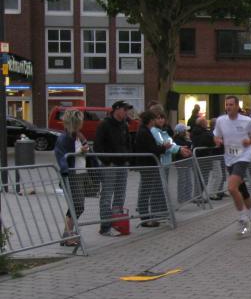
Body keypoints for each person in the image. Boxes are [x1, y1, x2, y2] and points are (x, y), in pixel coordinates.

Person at [213, 95, 251, 236]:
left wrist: (250, 141)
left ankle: (242, 218)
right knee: (242, 189)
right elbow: (216, 135)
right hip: (229, 158)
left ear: (237, 106)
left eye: (231, 104)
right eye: (227, 105)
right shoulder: (221, 121)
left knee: (231, 187)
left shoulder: (247, 121)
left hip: (243, 156)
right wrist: (217, 140)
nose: (228, 107)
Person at [93, 100, 133, 237]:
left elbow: (127, 142)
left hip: (122, 164)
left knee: (120, 194)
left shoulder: (124, 125)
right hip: (110, 165)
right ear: (116, 109)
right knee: (107, 194)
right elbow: (97, 145)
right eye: (124, 109)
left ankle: (117, 223)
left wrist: (128, 157)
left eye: (127, 110)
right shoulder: (104, 124)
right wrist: (107, 161)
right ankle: (105, 226)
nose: (126, 112)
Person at [54, 109, 90, 247]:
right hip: (72, 174)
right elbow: (62, 156)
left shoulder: (78, 136)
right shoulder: (64, 138)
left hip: (81, 173)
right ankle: (67, 235)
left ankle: (67, 234)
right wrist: (80, 151)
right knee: (77, 205)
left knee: (77, 206)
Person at [134, 111, 172, 227]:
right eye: (154, 119)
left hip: (149, 164)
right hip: (147, 165)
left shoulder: (145, 131)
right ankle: (145, 218)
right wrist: (164, 147)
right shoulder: (144, 132)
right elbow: (152, 149)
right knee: (145, 191)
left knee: (147, 191)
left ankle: (146, 216)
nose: (156, 121)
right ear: (150, 120)